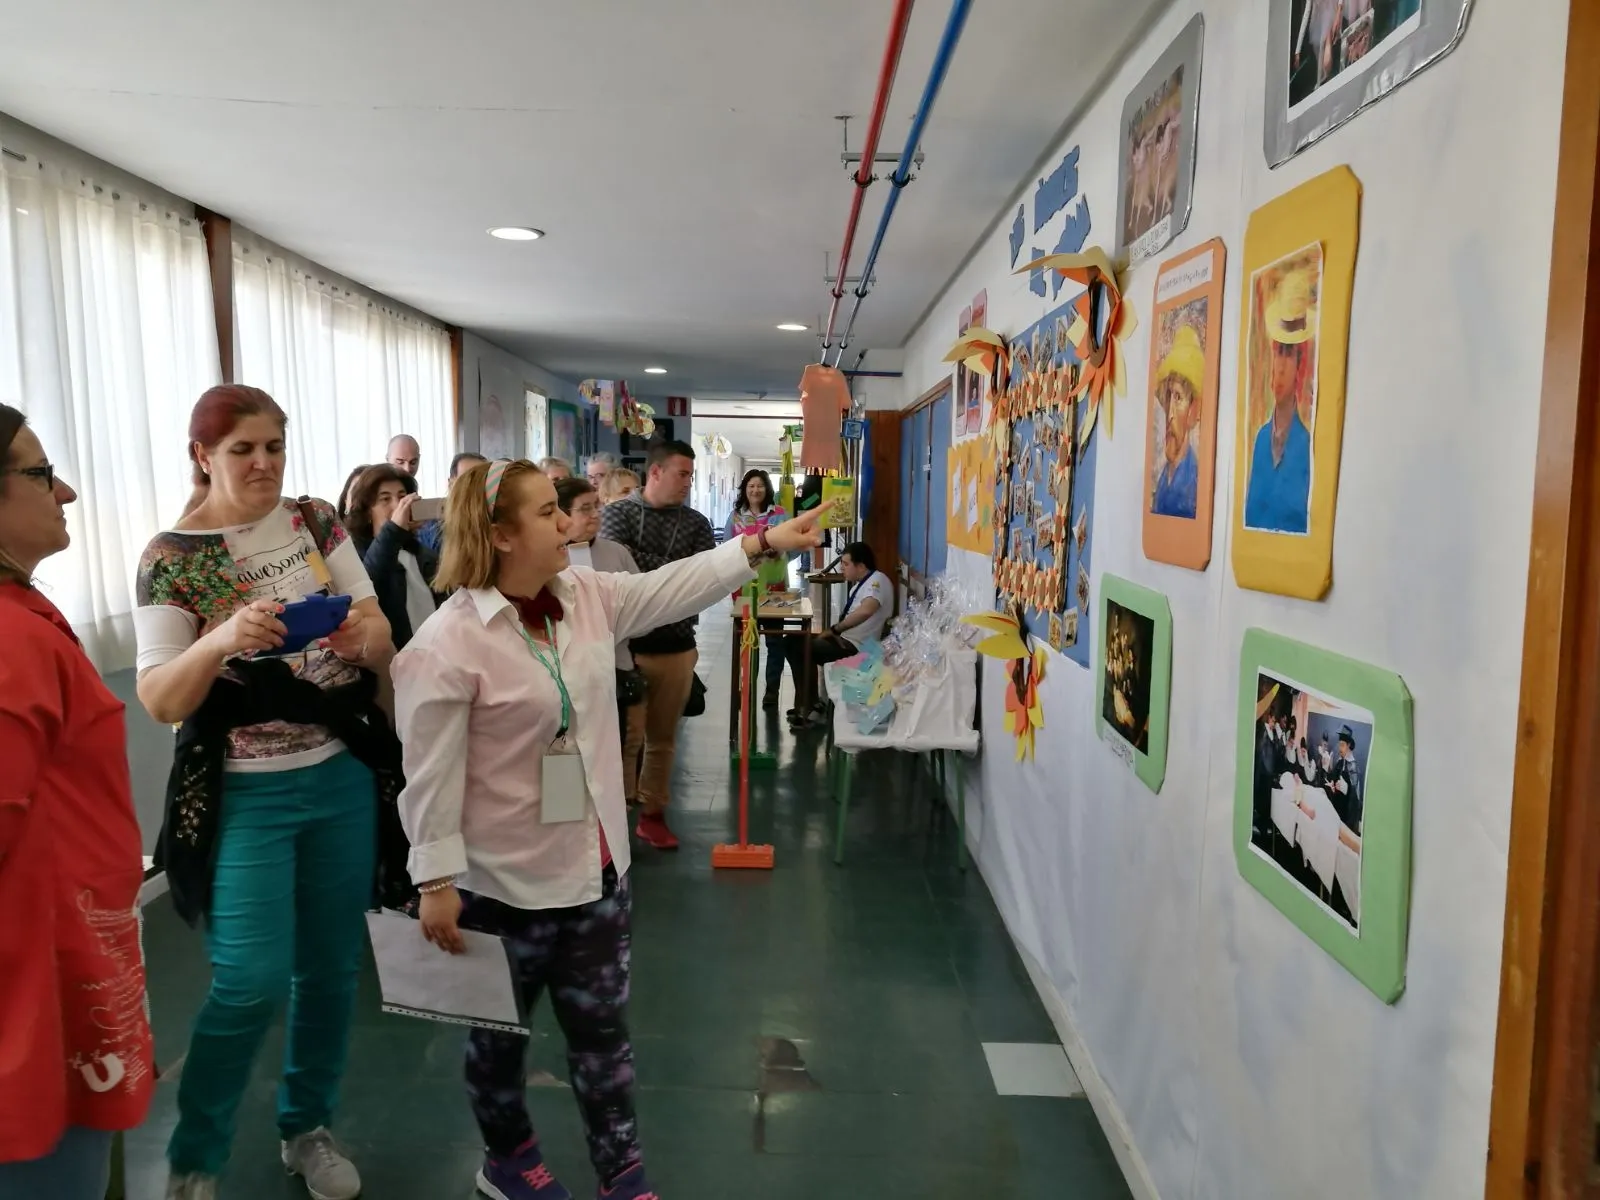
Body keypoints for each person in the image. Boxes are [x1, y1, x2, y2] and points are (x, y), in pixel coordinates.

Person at [393, 459, 822, 1200]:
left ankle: (622, 1176)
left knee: (603, 1042)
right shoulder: (445, 646)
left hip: (595, 872)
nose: (569, 523)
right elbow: (429, 776)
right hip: (499, 888)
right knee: (496, 1041)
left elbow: (670, 587)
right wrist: (433, 882)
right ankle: (507, 1160)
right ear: (498, 535)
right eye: (545, 513)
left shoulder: (584, 596)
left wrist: (759, 545)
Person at [133, 385, 405, 1200]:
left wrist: (367, 635)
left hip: (336, 776)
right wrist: (220, 638)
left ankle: (306, 1127)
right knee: (247, 978)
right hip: (244, 793)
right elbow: (159, 700)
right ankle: (194, 1157)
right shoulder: (170, 557)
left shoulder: (314, 522)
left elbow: (378, 630)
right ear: (203, 457)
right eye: (242, 450)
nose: (262, 464)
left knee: (327, 971)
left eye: (274, 448)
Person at [0, 406, 155, 1199]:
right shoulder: (9, 640)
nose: (63, 490)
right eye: (37, 473)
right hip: (34, 988)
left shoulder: (29, 616)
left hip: (66, 953)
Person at [598, 440, 715, 850]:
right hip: (628, 648)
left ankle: (652, 815)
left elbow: (703, 578)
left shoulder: (697, 523)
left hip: (678, 645)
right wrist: (677, 574)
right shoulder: (617, 514)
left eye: (691, 475)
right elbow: (620, 570)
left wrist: (657, 569)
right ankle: (619, 820)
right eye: (682, 473)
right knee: (626, 741)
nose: (688, 482)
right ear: (656, 472)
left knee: (662, 739)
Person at [555, 476, 648, 806]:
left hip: (612, 670)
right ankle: (565, 836)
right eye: (585, 509)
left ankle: (609, 845)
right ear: (561, 514)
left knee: (612, 755)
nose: (595, 514)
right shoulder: (550, 557)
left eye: (596, 506)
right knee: (565, 766)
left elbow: (641, 607)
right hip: (561, 680)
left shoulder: (615, 553)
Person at [784, 541, 891, 729]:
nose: (842, 568)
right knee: (792, 641)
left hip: (858, 648)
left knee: (803, 647)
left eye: (846, 564)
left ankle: (809, 708)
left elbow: (867, 610)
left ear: (861, 566)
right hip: (844, 641)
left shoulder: (878, 581)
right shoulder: (859, 585)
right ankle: (810, 702)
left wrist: (835, 630)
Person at [1244, 269, 1316, 534]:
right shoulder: (1261, 440)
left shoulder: (1307, 446)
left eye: (1288, 354)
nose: (1280, 368)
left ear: (1301, 364)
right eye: (1278, 352)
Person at [348, 463, 440, 651]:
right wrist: (394, 530)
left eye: (402, 497)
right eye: (385, 499)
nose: (397, 505)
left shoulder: (422, 554)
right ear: (367, 512)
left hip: (438, 659)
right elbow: (371, 585)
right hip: (396, 662)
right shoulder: (355, 554)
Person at [724, 468, 790, 709]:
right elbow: (726, 550)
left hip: (774, 588)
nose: (755, 490)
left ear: (767, 489)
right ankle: (747, 687)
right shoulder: (735, 518)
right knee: (747, 641)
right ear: (745, 489)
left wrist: (779, 552)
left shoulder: (780, 515)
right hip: (744, 588)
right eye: (751, 486)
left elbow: (791, 546)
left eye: (760, 485)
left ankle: (772, 691)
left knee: (774, 641)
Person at [1150, 325, 1204, 519]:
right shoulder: (1165, 475)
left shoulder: (1194, 481)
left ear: (1194, 410)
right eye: (1168, 397)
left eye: (1178, 398)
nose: (1170, 413)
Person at [418, 451, 487, 557]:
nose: (475, 485)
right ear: (451, 484)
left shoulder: (495, 521)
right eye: (468, 479)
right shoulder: (432, 527)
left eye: (481, 478)